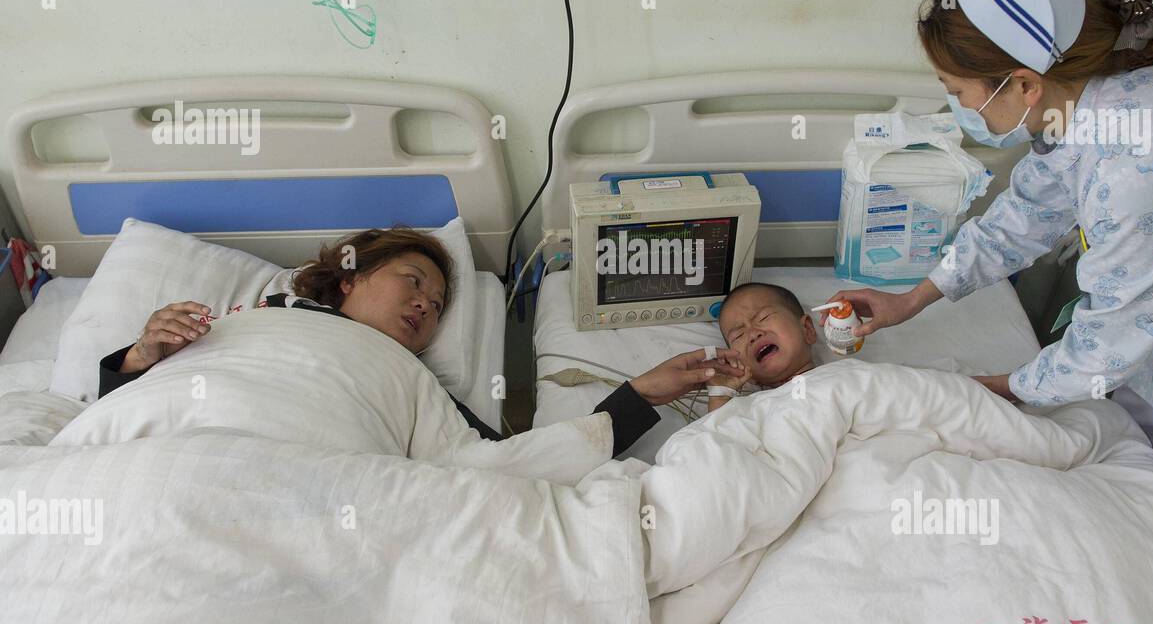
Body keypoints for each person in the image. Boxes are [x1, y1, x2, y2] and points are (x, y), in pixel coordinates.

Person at [829, 0, 1153, 551]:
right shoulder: (1092, 97)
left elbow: (1107, 344)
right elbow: (1031, 205)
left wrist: (992, 391)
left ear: (1022, 82)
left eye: (958, 93)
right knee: (1119, 485)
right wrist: (914, 298)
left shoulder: (1147, 160)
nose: (958, 111)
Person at [97, 226, 746, 459]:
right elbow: (119, 417)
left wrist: (641, 393)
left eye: (436, 306)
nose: (423, 306)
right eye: (412, 282)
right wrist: (140, 357)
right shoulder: (244, 319)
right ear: (347, 278)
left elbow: (514, 470)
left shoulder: (408, 383)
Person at [706, 282, 818, 412]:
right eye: (739, 335)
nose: (753, 334)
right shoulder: (752, 409)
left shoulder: (842, 372)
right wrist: (720, 397)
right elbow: (718, 430)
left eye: (764, 317)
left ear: (807, 329)